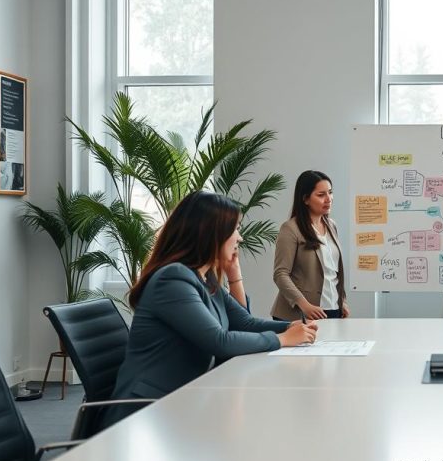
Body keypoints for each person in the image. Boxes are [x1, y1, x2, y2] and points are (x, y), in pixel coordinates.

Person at [103, 191, 318, 429]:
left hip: (183, 400)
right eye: (235, 229)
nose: (240, 238)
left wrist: (290, 326)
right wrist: (283, 339)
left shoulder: (204, 278)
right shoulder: (173, 278)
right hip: (148, 411)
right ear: (212, 233)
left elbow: (244, 323)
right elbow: (219, 341)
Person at [272, 170, 349, 321]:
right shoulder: (290, 229)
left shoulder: (332, 226)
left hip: (333, 308)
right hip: (299, 313)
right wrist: (304, 305)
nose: (328, 199)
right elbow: (280, 274)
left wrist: (342, 300)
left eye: (330, 192)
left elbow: (334, 271)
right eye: (321, 195)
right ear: (305, 199)